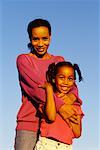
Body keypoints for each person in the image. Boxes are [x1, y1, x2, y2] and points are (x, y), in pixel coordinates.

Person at [14, 18, 80, 150]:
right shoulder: (24, 60)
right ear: (30, 39)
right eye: (35, 39)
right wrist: (61, 106)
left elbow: (71, 85)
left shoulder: (58, 60)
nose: (40, 43)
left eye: (44, 38)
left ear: (50, 37)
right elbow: (36, 88)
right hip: (29, 124)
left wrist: (72, 97)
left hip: (54, 125)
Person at [34, 61, 84, 150]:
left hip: (66, 147)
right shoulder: (47, 97)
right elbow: (51, 116)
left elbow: (77, 133)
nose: (65, 82)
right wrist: (49, 89)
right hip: (47, 144)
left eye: (70, 79)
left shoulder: (75, 103)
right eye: (61, 77)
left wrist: (72, 110)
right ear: (54, 79)